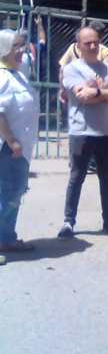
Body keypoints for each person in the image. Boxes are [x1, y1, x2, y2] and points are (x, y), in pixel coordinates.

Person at [57, 27, 108, 238]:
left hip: (105, 132)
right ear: (78, 46)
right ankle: (68, 222)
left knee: (106, 178)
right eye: (87, 43)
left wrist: (97, 90)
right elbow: (80, 97)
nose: (93, 46)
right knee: (76, 177)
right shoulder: (71, 69)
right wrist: (105, 92)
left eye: (96, 42)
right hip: (81, 131)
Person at [0, 30, 38, 256]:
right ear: (4, 48)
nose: (21, 50)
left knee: (13, 195)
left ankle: (7, 238)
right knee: (7, 195)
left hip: (19, 148)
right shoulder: (3, 77)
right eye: (16, 46)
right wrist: (12, 140)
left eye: (22, 45)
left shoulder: (17, 73)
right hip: (9, 148)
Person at [58, 20, 108, 103]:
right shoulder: (105, 51)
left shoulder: (74, 47)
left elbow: (62, 70)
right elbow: (106, 75)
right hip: (95, 93)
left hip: (74, 91)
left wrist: (62, 89)